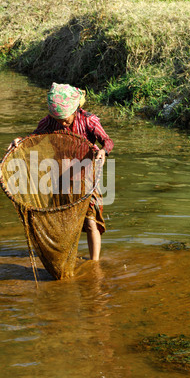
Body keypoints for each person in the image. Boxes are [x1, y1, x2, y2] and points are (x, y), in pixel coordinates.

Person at [9, 82, 114, 261]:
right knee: (63, 221)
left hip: (86, 176)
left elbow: (107, 141)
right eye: (59, 120)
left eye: (66, 119)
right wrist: (19, 141)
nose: (63, 123)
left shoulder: (89, 120)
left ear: (75, 110)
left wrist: (103, 151)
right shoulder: (49, 122)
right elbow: (34, 139)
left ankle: (94, 263)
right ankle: (65, 257)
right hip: (61, 175)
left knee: (90, 222)